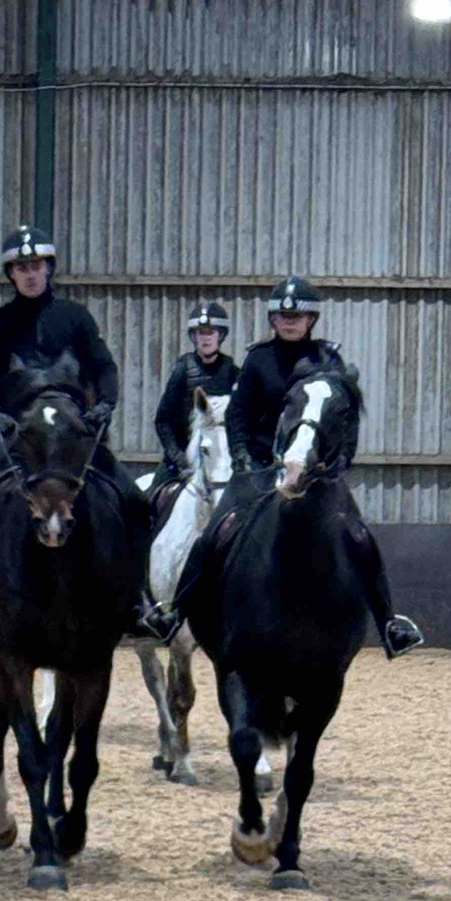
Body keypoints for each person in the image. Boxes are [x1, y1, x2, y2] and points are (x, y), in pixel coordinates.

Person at [0, 224, 165, 639]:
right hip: (21, 433)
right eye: (21, 268)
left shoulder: (76, 317)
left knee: (133, 501)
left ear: (48, 268)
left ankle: (137, 599)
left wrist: (106, 405)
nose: (30, 273)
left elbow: (104, 367)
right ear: (12, 275)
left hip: (73, 432)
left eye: (35, 265)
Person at [171, 276, 423, 659]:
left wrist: (340, 461)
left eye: (298, 315)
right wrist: (242, 458)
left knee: (358, 536)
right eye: (283, 315)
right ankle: (175, 613)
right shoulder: (258, 360)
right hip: (259, 470)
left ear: (311, 320)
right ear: (273, 320)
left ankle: (389, 624)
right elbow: (238, 416)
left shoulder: (328, 360)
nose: (290, 321)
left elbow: (346, 416)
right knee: (215, 534)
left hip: (317, 473)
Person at [149, 301, 239, 492]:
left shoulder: (233, 372)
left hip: (219, 456)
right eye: (201, 333)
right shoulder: (182, 370)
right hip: (182, 457)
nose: (205, 339)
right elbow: (162, 420)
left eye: (210, 333)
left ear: (220, 335)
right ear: (194, 336)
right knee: (147, 503)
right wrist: (177, 456)